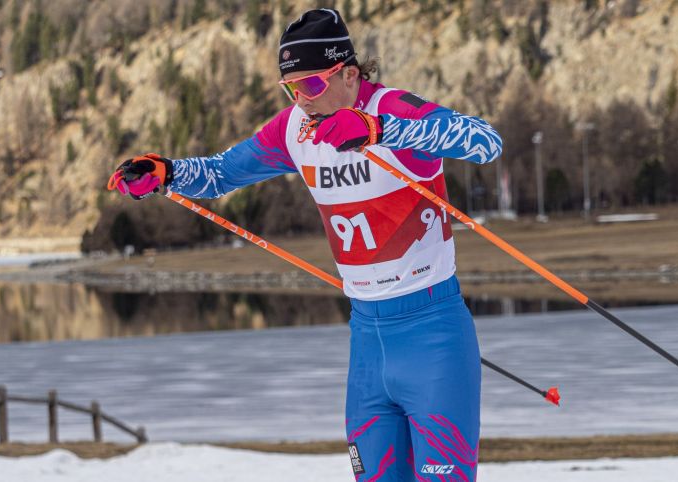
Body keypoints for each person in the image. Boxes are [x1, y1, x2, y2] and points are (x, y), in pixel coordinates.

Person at [110, 8, 502, 481]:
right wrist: (167, 173)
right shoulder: (295, 129)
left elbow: (485, 142)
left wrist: (380, 132)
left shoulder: (391, 110)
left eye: (311, 85)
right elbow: (222, 172)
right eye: (291, 89)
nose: (302, 100)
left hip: (433, 332)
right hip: (367, 341)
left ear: (350, 74)